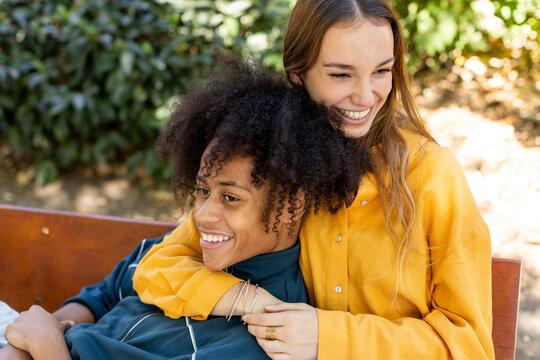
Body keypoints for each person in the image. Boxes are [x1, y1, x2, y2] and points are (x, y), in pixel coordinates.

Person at [132, 0, 495, 359]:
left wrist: (328, 336)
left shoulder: (432, 175)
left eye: (382, 71)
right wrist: (254, 302)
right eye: (341, 74)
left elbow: (469, 346)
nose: (366, 96)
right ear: (297, 72)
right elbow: (161, 266)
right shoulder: (276, 158)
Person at [2, 54, 369, 359]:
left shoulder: (266, 336)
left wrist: (46, 345)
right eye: (202, 191)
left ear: (293, 201)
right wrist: (48, 327)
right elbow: (101, 295)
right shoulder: (179, 252)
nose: (203, 214)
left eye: (230, 197)